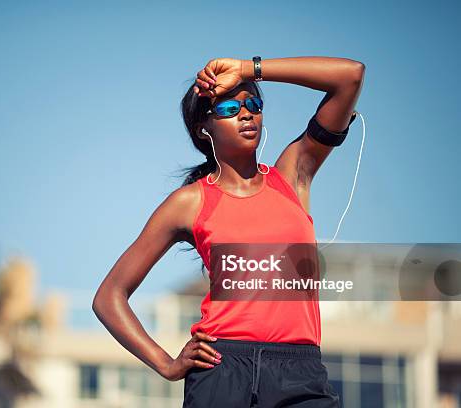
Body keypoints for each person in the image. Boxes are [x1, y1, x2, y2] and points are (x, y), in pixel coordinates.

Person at [93, 56, 365, 407]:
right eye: (228, 108)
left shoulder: (292, 176)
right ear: (203, 129)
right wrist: (166, 364)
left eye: (253, 104)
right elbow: (109, 296)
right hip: (221, 369)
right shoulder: (189, 202)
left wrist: (247, 69)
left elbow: (350, 77)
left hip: (300, 371)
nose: (247, 113)